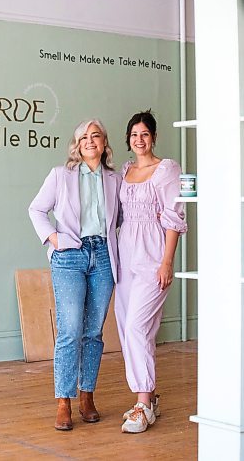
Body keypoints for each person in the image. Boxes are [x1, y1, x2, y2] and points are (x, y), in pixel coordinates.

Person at [29, 119, 121, 431]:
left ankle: (87, 396)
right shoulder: (60, 175)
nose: (90, 141)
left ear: (104, 143)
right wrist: (53, 239)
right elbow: (36, 210)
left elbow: (121, 218)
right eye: (84, 137)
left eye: (96, 136)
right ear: (77, 145)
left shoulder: (114, 178)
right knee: (70, 329)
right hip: (69, 255)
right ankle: (63, 402)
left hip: (104, 256)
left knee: (93, 331)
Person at [115, 109, 187, 434]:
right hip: (124, 257)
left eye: (145, 134)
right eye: (134, 135)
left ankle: (143, 404)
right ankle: (147, 398)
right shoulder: (125, 170)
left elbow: (175, 215)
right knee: (126, 328)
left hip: (153, 258)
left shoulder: (167, 169)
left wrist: (168, 261)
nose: (139, 140)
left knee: (136, 327)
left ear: (154, 137)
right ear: (128, 139)